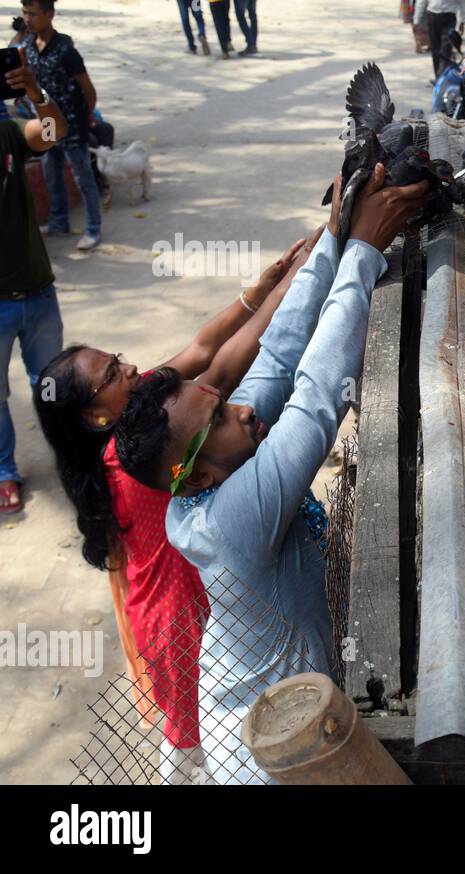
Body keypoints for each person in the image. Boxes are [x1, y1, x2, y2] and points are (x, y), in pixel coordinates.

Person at [114, 167, 427, 783]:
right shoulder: (230, 522)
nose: (244, 407)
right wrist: (362, 254)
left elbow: (281, 354)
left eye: (219, 397)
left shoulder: (210, 462)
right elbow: (313, 400)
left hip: (281, 716)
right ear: (194, 476)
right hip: (264, 757)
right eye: (221, 416)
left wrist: (336, 238)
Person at [36, 233, 312, 782]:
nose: (130, 367)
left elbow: (200, 348)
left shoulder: (137, 413)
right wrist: (292, 287)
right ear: (95, 418)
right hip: (177, 621)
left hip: (189, 597)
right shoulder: (131, 458)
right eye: (112, 374)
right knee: (196, 747)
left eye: (116, 359)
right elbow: (221, 369)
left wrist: (258, 291)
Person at [1, 45, 68, 516]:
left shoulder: (6, 133)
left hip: (38, 293)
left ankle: (69, 456)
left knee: (50, 384)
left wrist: (35, 92)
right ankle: (5, 471)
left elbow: (51, 132)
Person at [18, 0, 101, 250]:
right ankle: (59, 222)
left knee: (82, 177)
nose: (28, 18)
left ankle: (93, 229)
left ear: (49, 15)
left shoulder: (65, 50)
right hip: (48, 125)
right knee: (51, 174)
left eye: (33, 14)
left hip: (73, 124)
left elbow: (89, 91)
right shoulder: (28, 47)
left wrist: (86, 118)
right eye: (25, 13)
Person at [415, 0, 465, 80]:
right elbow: (421, 2)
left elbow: (462, 2)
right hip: (432, 17)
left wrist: (462, 21)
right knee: (435, 50)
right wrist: (417, 20)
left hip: (449, 18)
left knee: (446, 49)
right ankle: (438, 77)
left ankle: (442, 77)